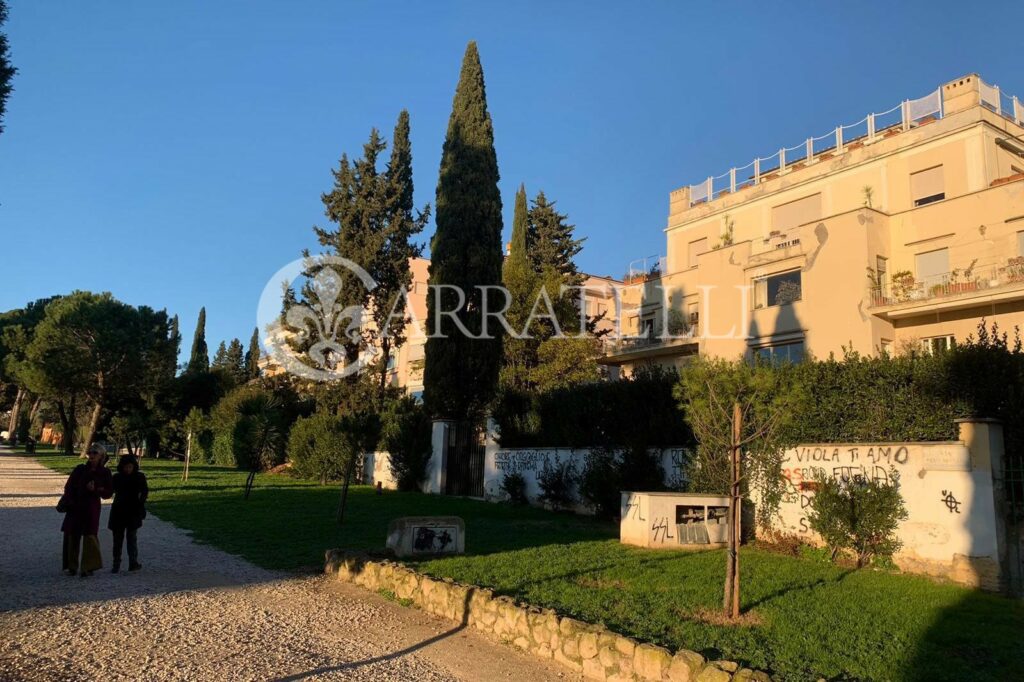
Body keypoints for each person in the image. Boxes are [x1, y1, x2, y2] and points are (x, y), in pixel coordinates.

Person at [61, 444, 114, 577]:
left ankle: (88, 567)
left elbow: (108, 493)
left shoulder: (105, 473)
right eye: (89, 452)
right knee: (72, 535)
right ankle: (72, 566)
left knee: (90, 536)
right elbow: (68, 487)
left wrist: (95, 490)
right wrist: (70, 500)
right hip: (75, 506)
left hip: (91, 507)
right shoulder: (80, 469)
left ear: (101, 455)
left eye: (95, 453)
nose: (91, 455)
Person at [108, 454, 148, 573]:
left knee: (132, 538)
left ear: (134, 466)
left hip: (133, 509)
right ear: (122, 467)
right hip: (119, 510)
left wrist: (141, 503)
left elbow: (145, 491)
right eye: (126, 467)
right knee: (117, 539)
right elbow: (110, 491)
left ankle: (133, 562)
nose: (128, 469)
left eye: (130, 467)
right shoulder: (117, 477)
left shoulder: (139, 477)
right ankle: (116, 563)